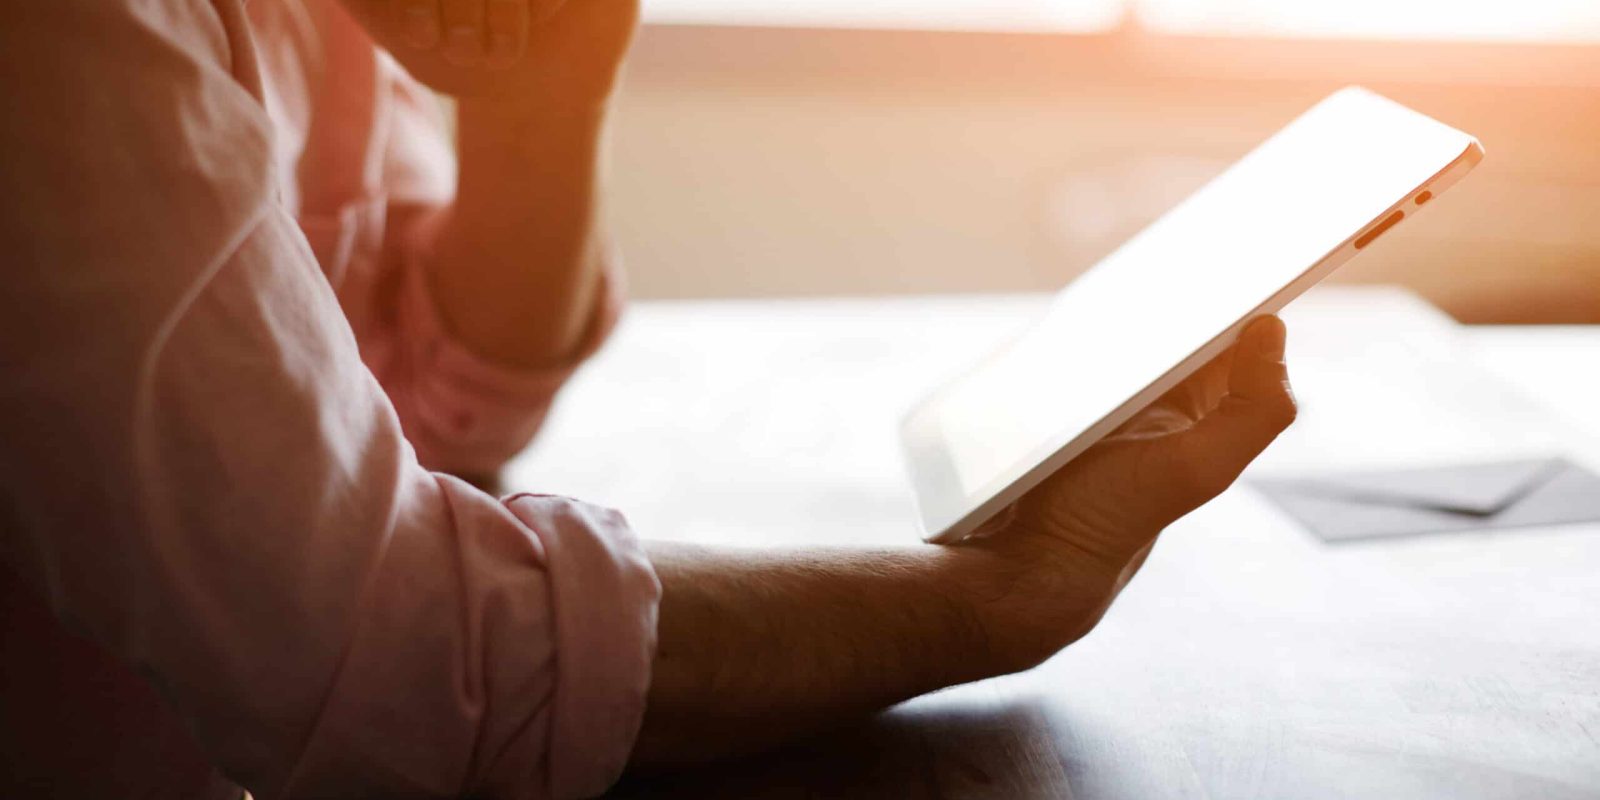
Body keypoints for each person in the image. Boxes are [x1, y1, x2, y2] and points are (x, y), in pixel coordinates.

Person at [0, 1, 1298, 797]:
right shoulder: (68, 41)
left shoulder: (326, 21)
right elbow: (395, 656)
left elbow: (441, 402)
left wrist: (545, 109)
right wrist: (994, 595)